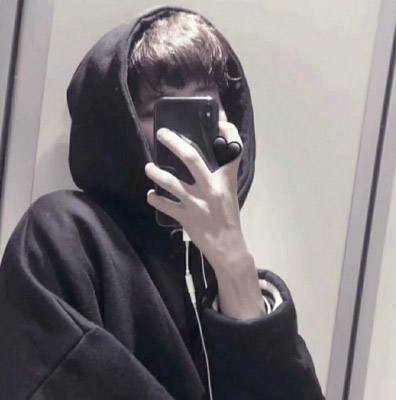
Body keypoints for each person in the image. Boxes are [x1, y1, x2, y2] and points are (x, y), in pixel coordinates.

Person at [0, 5, 324, 399]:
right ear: (121, 125)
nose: (187, 138)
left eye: (205, 109)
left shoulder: (226, 277)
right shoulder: (64, 234)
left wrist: (234, 263)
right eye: (163, 111)